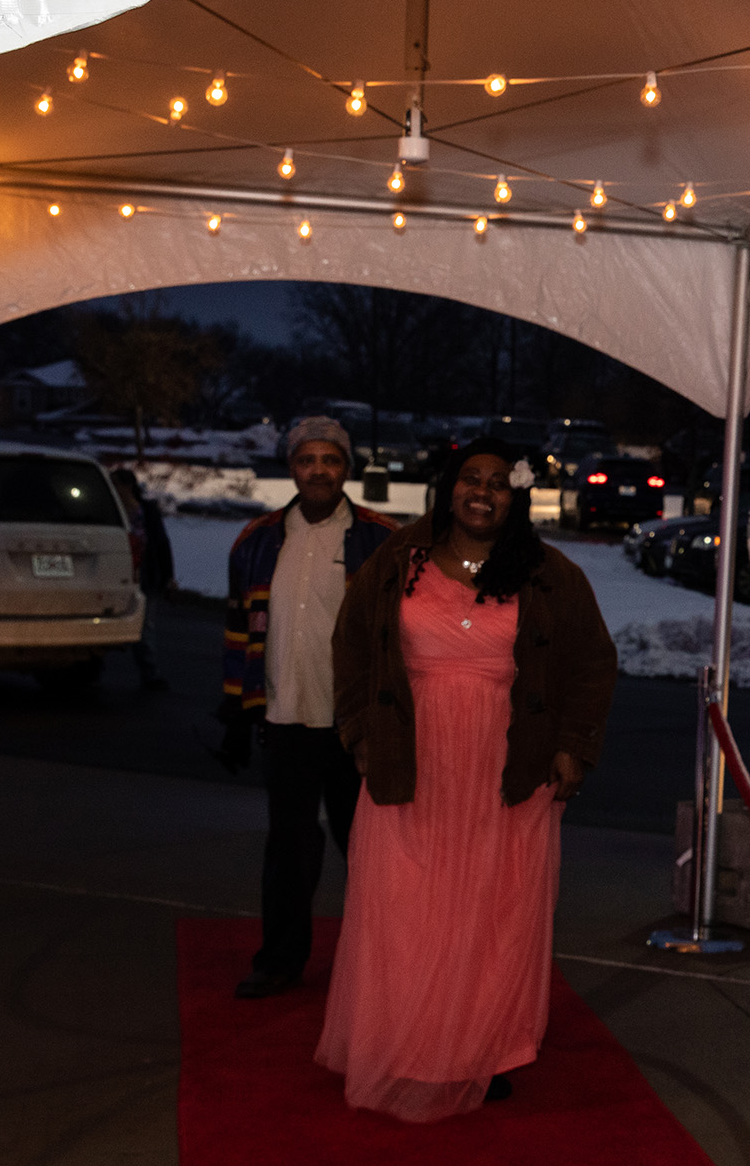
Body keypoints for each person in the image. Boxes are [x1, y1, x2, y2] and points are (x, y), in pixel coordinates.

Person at [320, 437, 617, 1122]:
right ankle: (402, 1042)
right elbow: (352, 644)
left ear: (517, 497)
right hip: (409, 758)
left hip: (508, 766)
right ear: (449, 486)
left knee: (493, 913)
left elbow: (592, 664)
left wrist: (572, 748)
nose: (482, 492)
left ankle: (481, 1048)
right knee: (404, 905)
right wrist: (359, 732)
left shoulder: (551, 573)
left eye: (498, 483)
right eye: (470, 479)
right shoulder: (398, 558)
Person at [220, 418, 399, 999]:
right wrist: (236, 711)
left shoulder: (382, 541)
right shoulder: (256, 541)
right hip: (285, 720)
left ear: (347, 467)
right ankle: (279, 960)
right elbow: (239, 629)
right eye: (306, 459)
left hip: (354, 728)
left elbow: (404, 639)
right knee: (288, 851)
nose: (318, 470)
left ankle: (385, 969)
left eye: (330, 459)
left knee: (369, 853)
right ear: (291, 467)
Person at [110, 467, 175, 690]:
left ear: (127, 486)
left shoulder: (146, 511)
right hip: (120, 572)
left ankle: (150, 673)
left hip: (146, 573)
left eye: (116, 484)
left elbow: (161, 543)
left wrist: (168, 575)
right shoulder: (112, 511)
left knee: (145, 625)